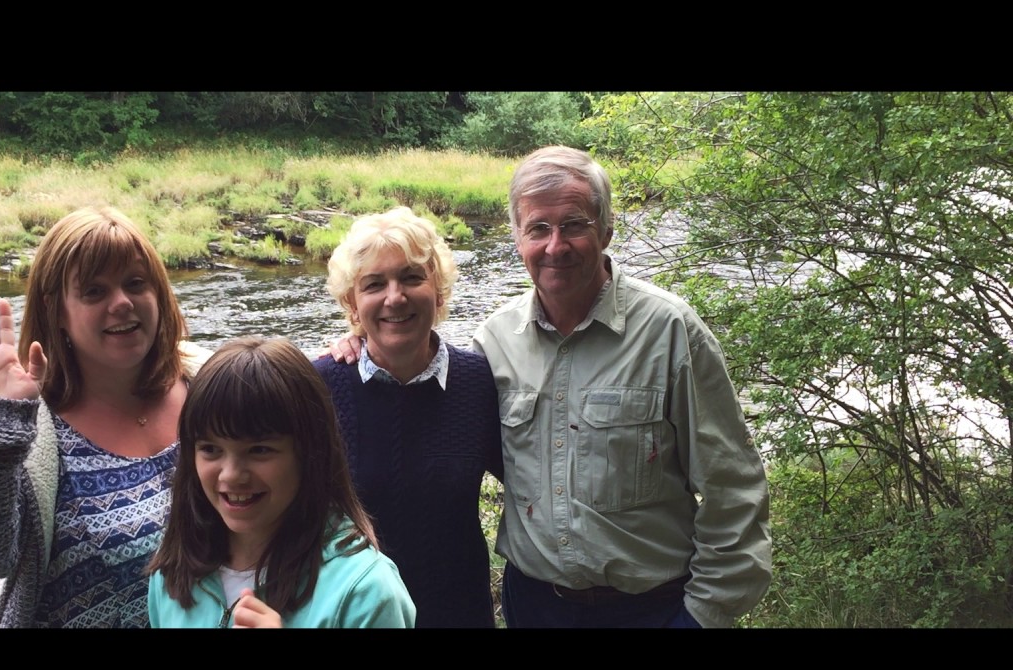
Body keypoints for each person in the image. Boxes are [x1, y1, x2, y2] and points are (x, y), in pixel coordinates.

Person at [330, 146, 772, 628]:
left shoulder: (669, 332)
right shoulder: (494, 343)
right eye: (538, 228)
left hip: (654, 607)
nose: (555, 246)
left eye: (574, 225)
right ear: (517, 238)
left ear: (605, 231)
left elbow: (734, 485)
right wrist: (360, 342)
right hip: (535, 607)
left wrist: (703, 614)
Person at [0, 206, 211, 628]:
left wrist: (342, 345)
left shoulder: (207, 382)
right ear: (56, 311)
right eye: (94, 291)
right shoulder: (29, 434)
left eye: (135, 283)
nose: (122, 302)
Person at [312, 207, 503, 628]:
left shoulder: (479, 383)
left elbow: (536, 485)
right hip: (352, 615)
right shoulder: (318, 386)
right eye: (374, 284)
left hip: (458, 614)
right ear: (352, 303)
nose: (394, 297)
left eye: (411, 277)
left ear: (438, 291)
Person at [146, 336, 416, 628]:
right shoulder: (172, 571)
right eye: (210, 449)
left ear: (310, 453)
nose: (231, 474)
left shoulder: (364, 592)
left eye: (259, 450)